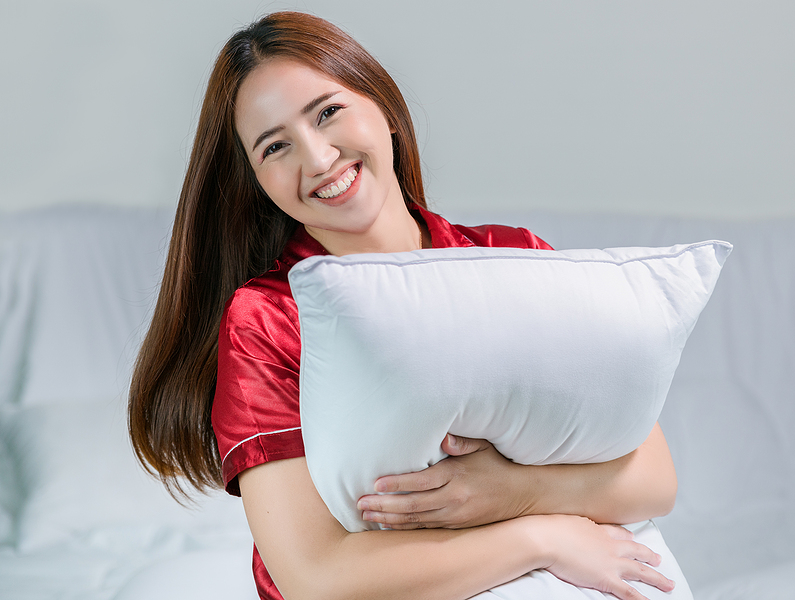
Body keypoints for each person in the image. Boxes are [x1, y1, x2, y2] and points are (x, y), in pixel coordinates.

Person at [129, 11, 680, 600]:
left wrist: (510, 491)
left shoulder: (513, 257)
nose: (317, 159)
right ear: (256, 180)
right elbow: (315, 577)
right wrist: (540, 536)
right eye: (276, 146)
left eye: (327, 112)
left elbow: (653, 478)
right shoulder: (268, 318)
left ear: (383, 107)